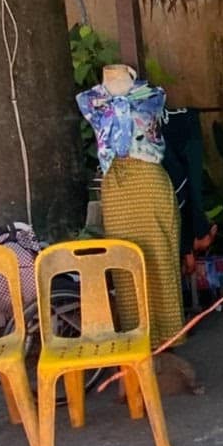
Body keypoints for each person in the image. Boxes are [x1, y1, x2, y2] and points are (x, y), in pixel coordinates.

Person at [77, 65, 187, 353]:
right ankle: (135, 341)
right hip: (116, 185)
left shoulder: (150, 96)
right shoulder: (90, 100)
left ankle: (168, 341)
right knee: (125, 262)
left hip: (150, 183)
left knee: (160, 259)